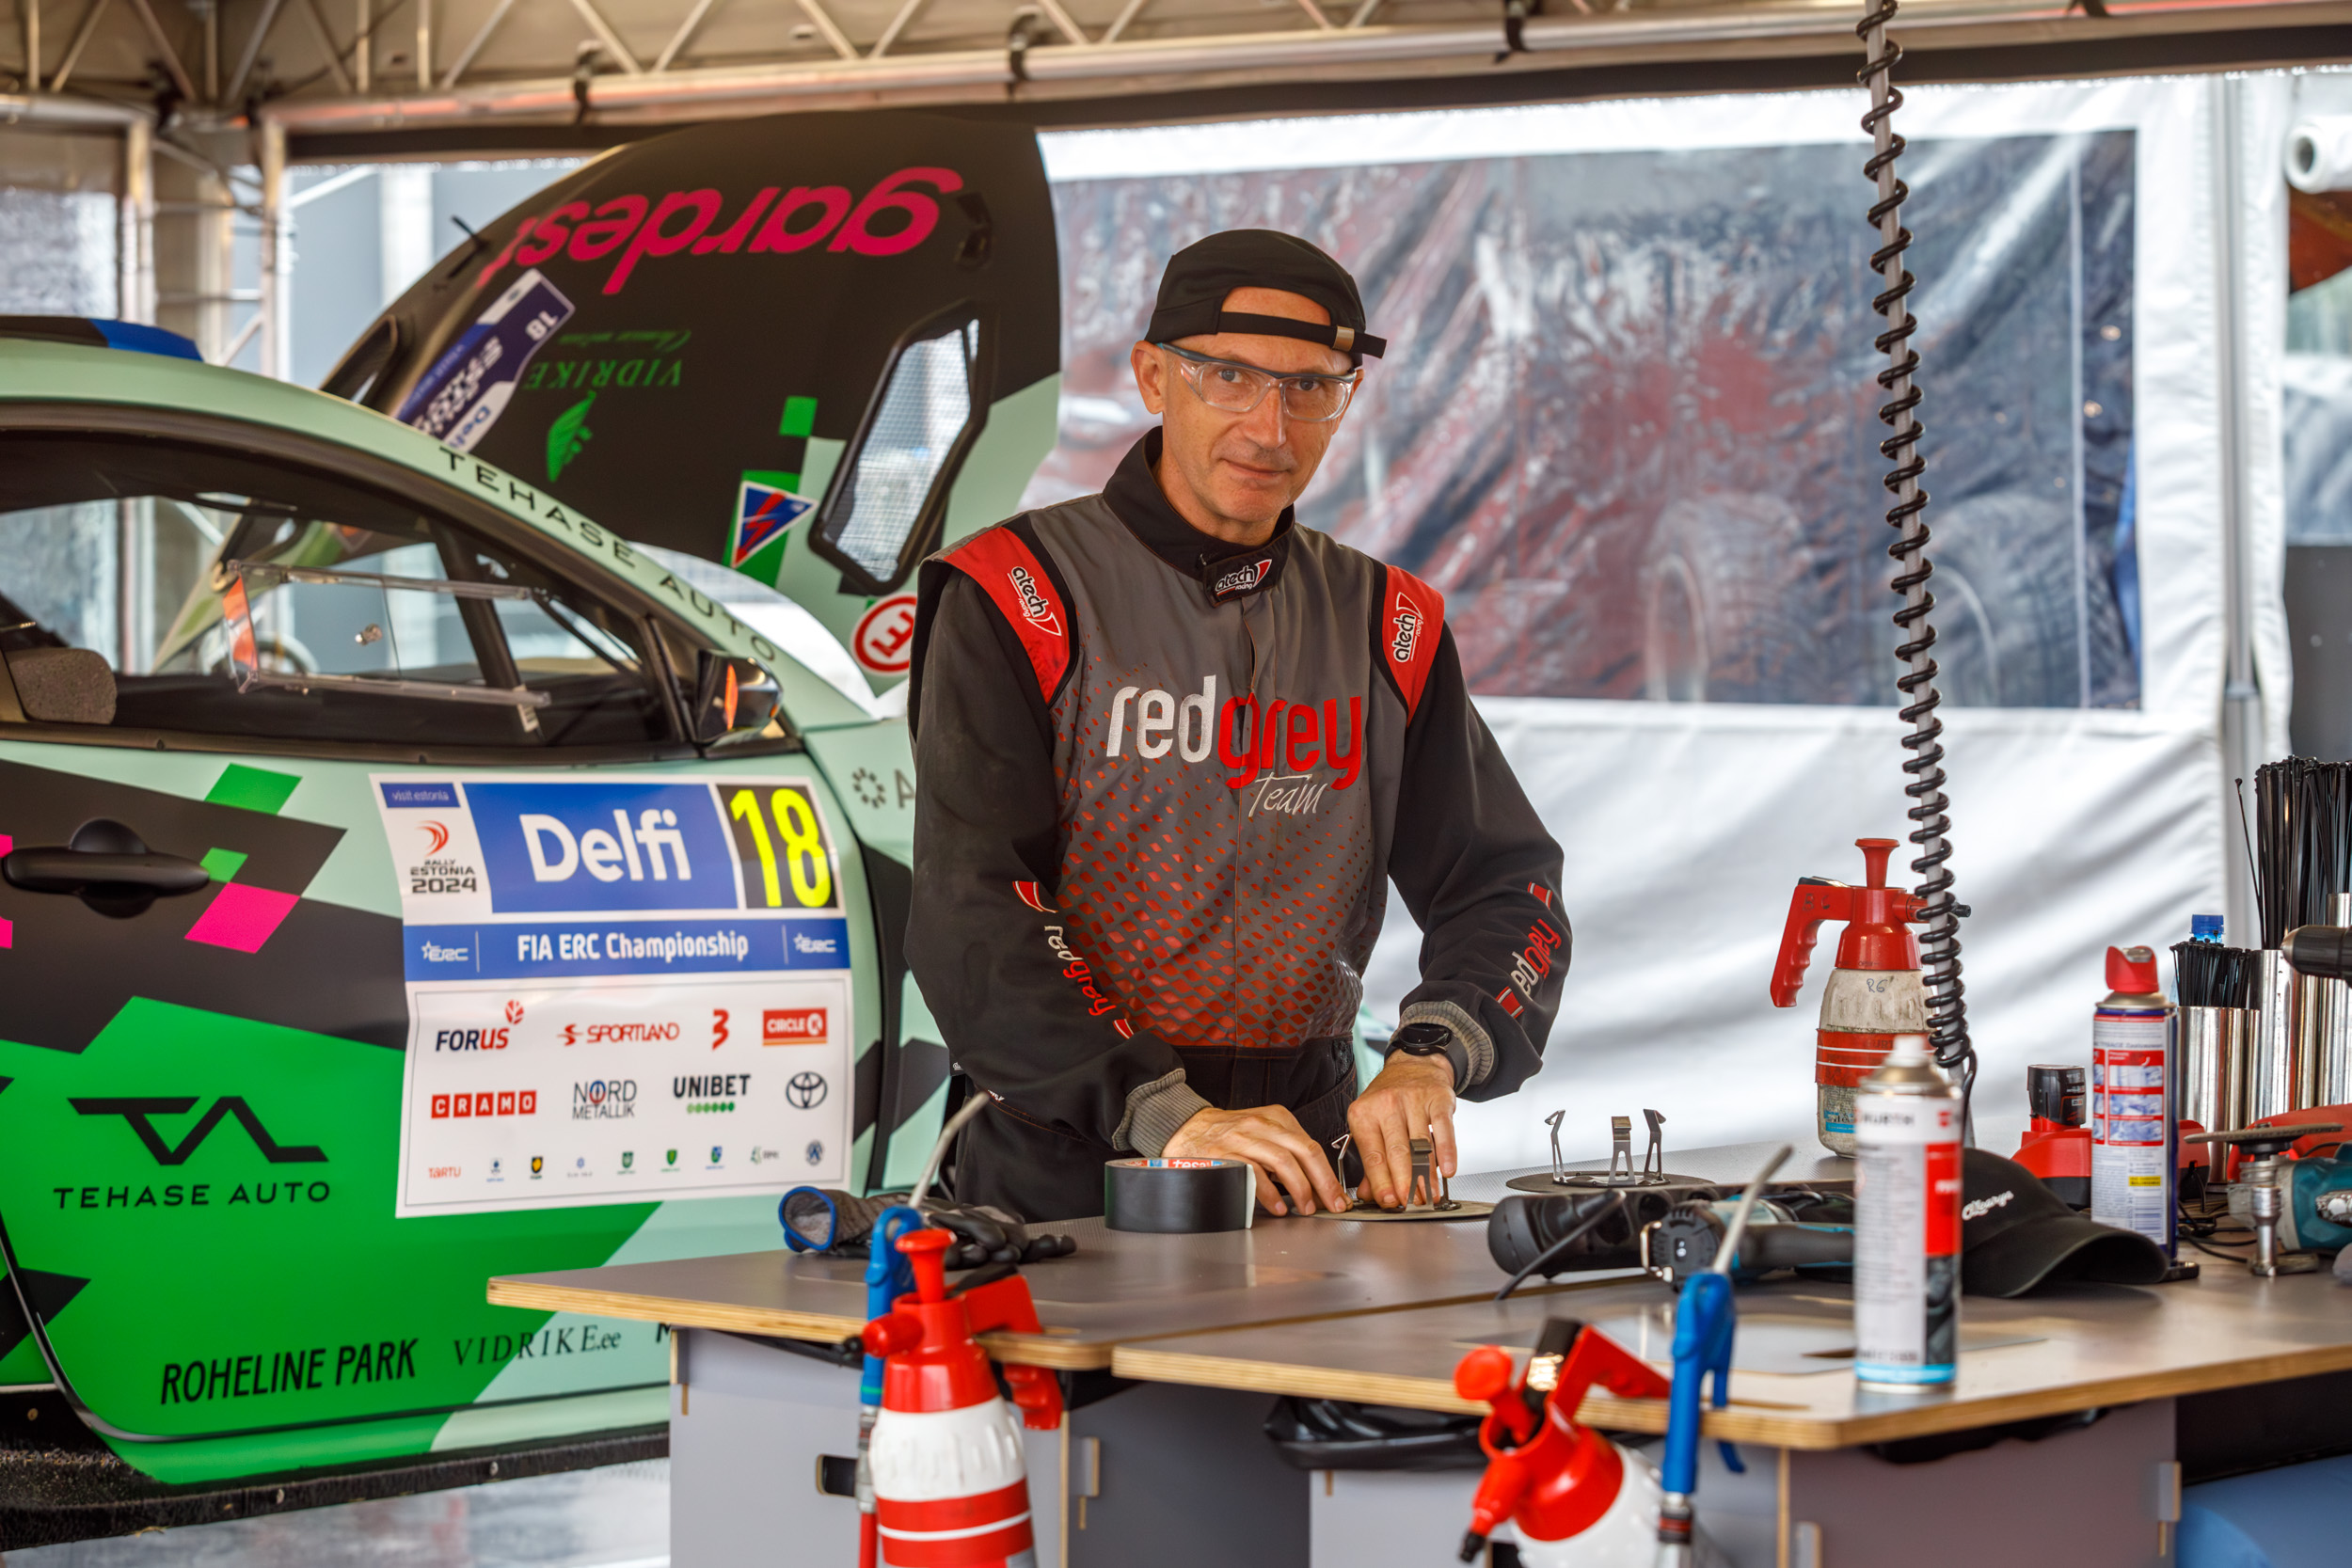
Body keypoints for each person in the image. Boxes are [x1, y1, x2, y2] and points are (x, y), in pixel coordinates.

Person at [905, 229, 1566, 1222]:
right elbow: (973, 908)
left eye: (1311, 388)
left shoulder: (1388, 623)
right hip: (1067, 1164)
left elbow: (1505, 885)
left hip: (1310, 1163)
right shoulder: (1016, 593)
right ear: (1152, 377)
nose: (1270, 427)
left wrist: (1431, 1055)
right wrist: (1165, 1113)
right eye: (1229, 377)